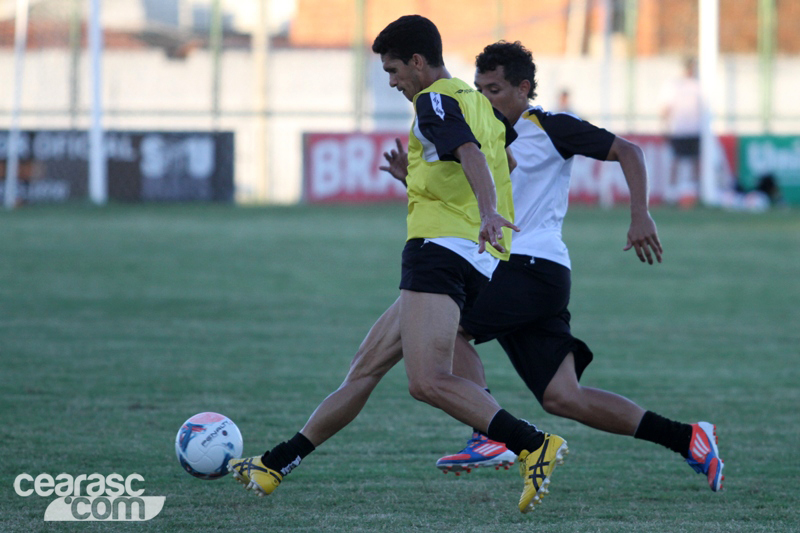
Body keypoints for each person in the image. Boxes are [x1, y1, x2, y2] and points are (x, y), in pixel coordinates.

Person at [228, 16, 568, 514]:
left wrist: (489, 209)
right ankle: (275, 465)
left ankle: (533, 444)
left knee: (427, 380)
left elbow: (471, 154)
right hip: (472, 257)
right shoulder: (479, 103)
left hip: (441, 251)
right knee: (365, 368)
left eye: (392, 70)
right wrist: (423, 181)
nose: (391, 82)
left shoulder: (433, 99)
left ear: (416, 61)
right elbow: (504, 163)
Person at [407, 41, 720, 492]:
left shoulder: (550, 128)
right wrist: (407, 177)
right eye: (479, 88)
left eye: (494, 89)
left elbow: (629, 151)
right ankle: (688, 438)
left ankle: (488, 433)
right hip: (517, 273)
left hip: (531, 267)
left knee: (448, 328)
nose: (485, 97)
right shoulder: (479, 133)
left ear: (523, 88)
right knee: (562, 397)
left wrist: (639, 213)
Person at [660, 57, 704, 206]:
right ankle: (671, 194)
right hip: (678, 130)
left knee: (696, 162)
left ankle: (696, 193)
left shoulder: (699, 85)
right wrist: (665, 127)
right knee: (676, 162)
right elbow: (666, 108)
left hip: (695, 130)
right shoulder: (675, 85)